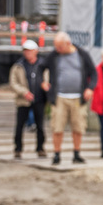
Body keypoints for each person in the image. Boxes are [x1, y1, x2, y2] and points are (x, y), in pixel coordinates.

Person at [40, 32, 96, 165]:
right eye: (56, 47)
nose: (57, 49)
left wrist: (90, 88)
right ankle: (57, 154)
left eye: (60, 47)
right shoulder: (54, 56)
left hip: (78, 98)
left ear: (68, 44)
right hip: (60, 97)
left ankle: (76, 153)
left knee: (78, 127)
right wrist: (42, 82)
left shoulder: (82, 54)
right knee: (57, 127)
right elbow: (40, 67)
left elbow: (93, 73)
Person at [9, 39, 48, 159]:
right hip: (23, 100)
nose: (27, 53)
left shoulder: (42, 65)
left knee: (40, 125)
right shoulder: (18, 66)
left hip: (39, 99)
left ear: (36, 51)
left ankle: (40, 147)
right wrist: (24, 92)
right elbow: (13, 82)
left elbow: (48, 78)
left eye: (30, 51)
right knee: (20, 125)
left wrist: (45, 86)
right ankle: (18, 148)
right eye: (25, 51)